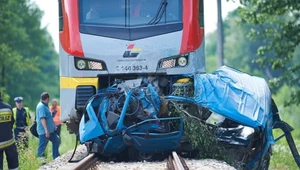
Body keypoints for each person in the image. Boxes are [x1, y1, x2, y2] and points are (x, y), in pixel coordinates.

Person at [36, 92, 60, 161]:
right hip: (44, 131)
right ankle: (41, 162)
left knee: (56, 139)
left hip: (50, 130)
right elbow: (42, 118)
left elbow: (49, 117)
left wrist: (53, 125)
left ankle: (56, 157)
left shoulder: (45, 105)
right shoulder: (41, 106)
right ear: (47, 98)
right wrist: (46, 130)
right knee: (42, 146)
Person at [0, 92, 19, 170]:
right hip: (9, 142)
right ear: (1, 96)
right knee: (14, 166)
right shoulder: (8, 108)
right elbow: (11, 123)